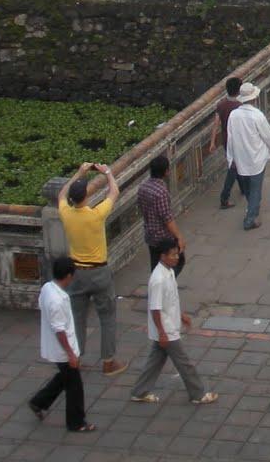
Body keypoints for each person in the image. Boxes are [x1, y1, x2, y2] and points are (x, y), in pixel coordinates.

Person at [129, 237, 218, 407]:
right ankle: (198, 394)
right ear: (163, 256)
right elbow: (155, 309)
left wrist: (181, 314)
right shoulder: (158, 280)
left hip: (167, 326)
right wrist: (162, 332)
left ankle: (139, 392)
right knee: (185, 363)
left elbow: (169, 301)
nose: (176, 258)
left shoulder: (169, 271)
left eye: (177, 254)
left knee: (155, 362)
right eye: (173, 255)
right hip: (166, 330)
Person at [58, 162, 126, 376]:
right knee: (107, 316)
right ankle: (108, 361)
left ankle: (76, 357)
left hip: (76, 273)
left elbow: (61, 194)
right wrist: (107, 173)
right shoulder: (96, 214)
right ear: (86, 195)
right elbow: (115, 191)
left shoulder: (66, 213)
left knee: (77, 317)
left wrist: (79, 172)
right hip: (99, 272)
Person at [27, 257, 95, 433]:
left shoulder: (47, 288)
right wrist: (71, 354)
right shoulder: (57, 300)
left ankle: (39, 402)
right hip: (63, 350)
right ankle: (76, 422)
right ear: (68, 275)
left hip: (59, 348)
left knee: (64, 378)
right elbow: (60, 330)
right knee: (75, 387)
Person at [225, 82, 270, 231]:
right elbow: (268, 135)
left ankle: (251, 208)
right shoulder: (257, 116)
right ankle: (250, 218)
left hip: (240, 156)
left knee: (249, 188)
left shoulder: (234, 115)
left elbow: (230, 138)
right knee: (255, 188)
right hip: (255, 157)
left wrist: (231, 158)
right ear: (254, 98)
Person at [137, 156, 185, 274]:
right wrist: (179, 236)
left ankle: (157, 288)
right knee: (177, 261)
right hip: (163, 237)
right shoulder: (161, 192)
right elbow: (167, 218)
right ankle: (164, 286)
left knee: (156, 265)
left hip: (150, 234)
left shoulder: (143, 187)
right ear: (166, 171)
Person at [210, 77, 244, 210]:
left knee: (236, 165)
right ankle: (224, 197)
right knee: (234, 168)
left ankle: (243, 188)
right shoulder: (240, 106)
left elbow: (216, 125)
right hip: (239, 141)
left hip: (226, 140)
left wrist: (213, 142)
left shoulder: (221, 104)